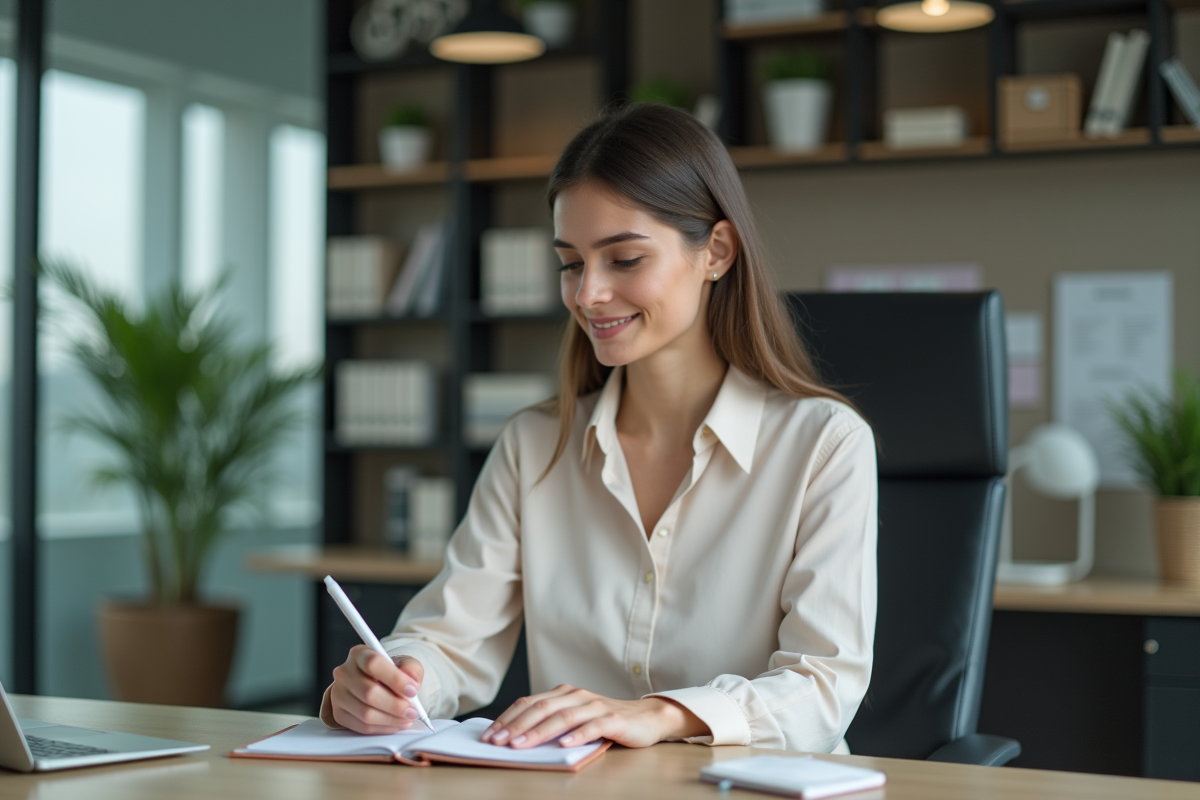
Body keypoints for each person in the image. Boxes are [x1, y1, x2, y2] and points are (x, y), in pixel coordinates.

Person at [321, 103, 878, 753]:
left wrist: (662, 715)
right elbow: (451, 636)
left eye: (624, 259)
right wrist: (398, 680)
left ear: (716, 253)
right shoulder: (533, 447)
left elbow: (823, 685)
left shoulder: (824, 444)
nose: (587, 294)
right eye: (570, 263)